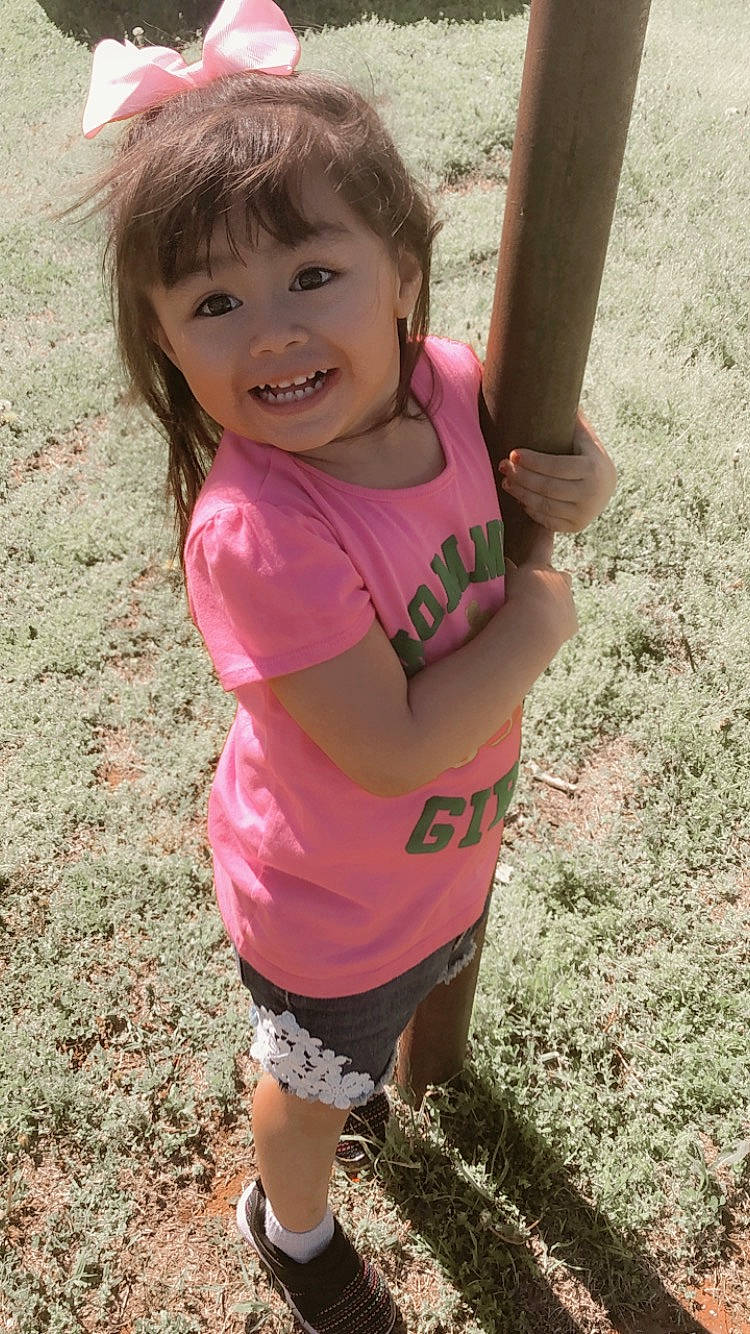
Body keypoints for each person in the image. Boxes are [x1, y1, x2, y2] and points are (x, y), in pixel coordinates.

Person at [80, 1, 616, 1329]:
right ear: (166, 342)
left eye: (312, 274)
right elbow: (390, 746)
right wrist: (537, 620)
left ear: (403, 275)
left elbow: (548, 441)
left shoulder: (450, 385)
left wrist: (583, 474)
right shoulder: (260, 533)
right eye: (213, 302)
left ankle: (367, 1084)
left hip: (439, 855)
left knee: (393, 1015)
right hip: (327, 898)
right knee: (311, 1084)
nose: (270, 330)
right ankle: (292, 1225)